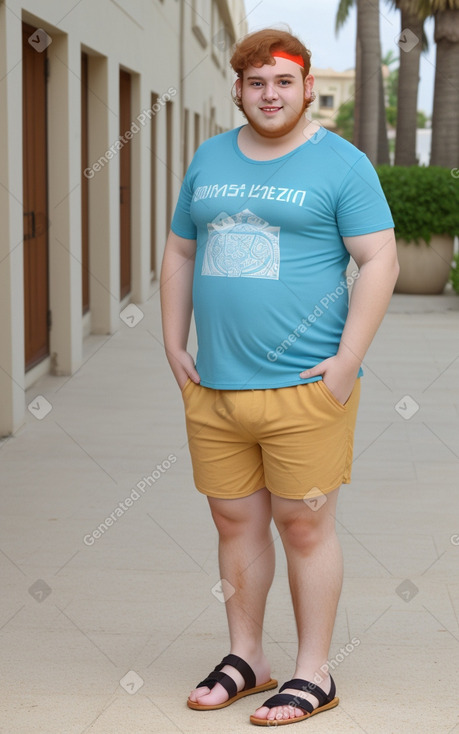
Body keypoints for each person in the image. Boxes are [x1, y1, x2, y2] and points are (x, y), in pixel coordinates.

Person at [160, 27, 399, 727]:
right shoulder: (207, 157)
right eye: (256, 82)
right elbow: (179, 249)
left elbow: (378, 260)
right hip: (215, 386)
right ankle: (246, 659)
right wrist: (171, 341)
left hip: (304, 384)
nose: (270, 94)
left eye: (284, 82)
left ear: (305, 90)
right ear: (237, 89)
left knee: (303, 525)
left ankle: (312, 672)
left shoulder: (341, 162)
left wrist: (347, 362)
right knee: (234, 521)